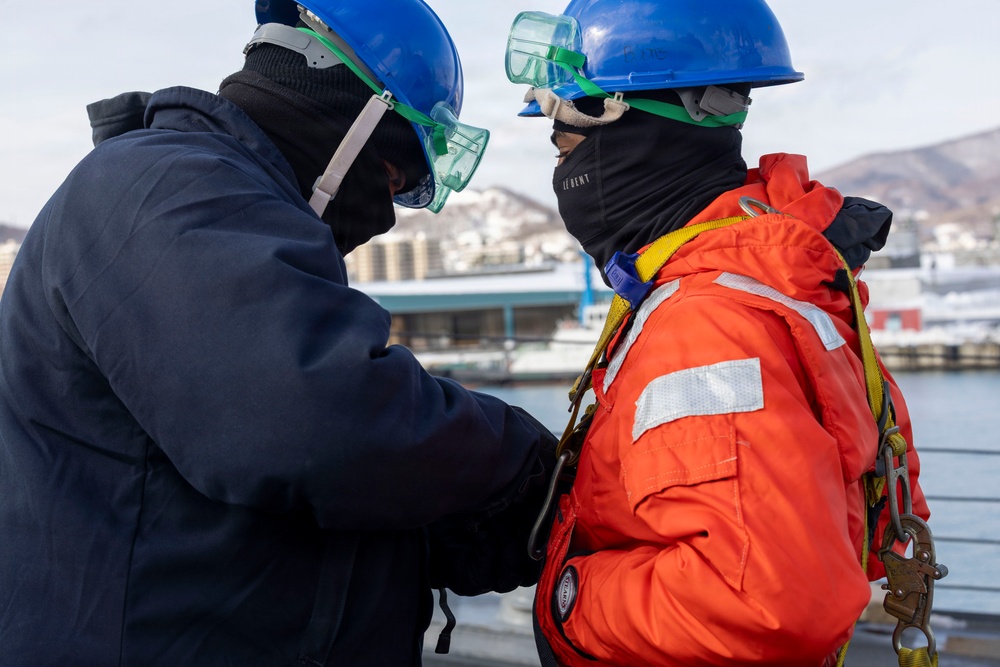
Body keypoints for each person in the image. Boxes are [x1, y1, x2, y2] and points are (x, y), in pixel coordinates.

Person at [0, 1, 557, 665]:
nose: (383, 213)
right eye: (389, 176)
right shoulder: (164, 185)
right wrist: (531, 470)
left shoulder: (233, 213)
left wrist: (474, 532)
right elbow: (314, 421)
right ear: (353, 118)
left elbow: (295, 493)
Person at [504, 1, 933, 665]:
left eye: (564, 141)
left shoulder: (708, 322)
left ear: (626, 125)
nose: (561, 168)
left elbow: (763, 604)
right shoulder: (751, 281)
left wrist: (570, 594)